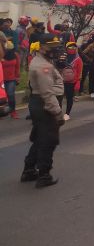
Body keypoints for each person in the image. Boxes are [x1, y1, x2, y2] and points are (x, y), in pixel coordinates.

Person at [20, 34, 66, 188]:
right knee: (48, 140)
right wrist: (57, 112)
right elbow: (47, 93)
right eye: (51, 46)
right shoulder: (43, 66)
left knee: (40, 137)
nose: (54, 49)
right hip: (44, 104)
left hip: (39, 103)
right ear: (42, 47)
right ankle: (44, 174)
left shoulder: (43, 61)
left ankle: (29, 169)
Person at [61, 42, 83, 121]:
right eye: (70, 47)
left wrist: (78, 82)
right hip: (62, 81)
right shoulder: (63, 57)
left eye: (74, 47)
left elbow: (80, 72)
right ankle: (58, 113)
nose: (72, 48)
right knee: (59, 97)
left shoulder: (78, 59)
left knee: (69, 98)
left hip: (72, 82)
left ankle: (67, 113)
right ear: (66, 48)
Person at [2, 41, 20, 118]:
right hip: (1, 79)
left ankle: (13, 111)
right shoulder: (1, 55)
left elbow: (17, 67)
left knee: (11, 95)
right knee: (2, 97)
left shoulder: (15, 55)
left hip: (11, 79)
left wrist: (17, 77)